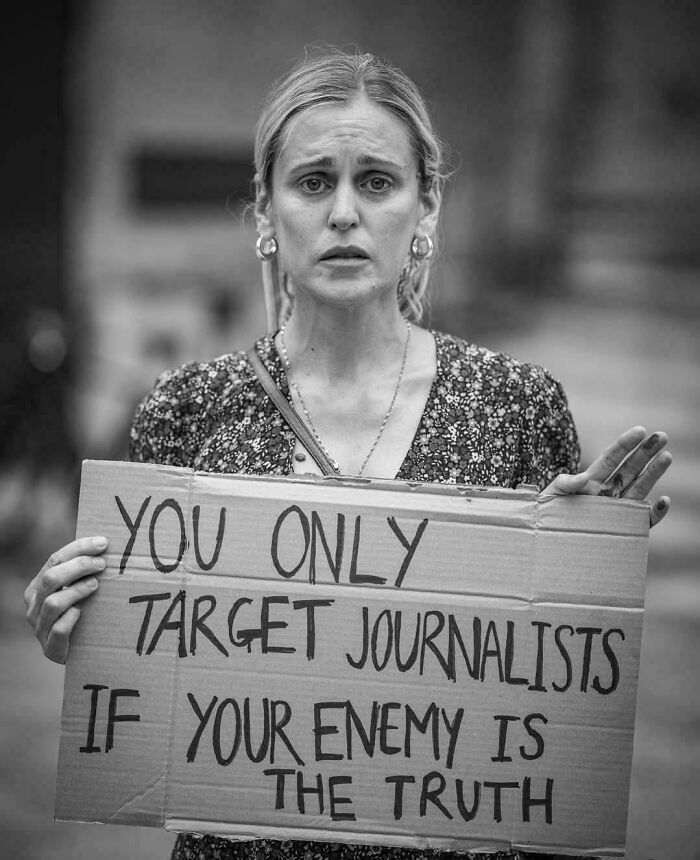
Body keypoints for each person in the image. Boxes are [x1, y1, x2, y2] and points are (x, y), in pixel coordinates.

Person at [25, 49, 671, 860]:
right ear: (265, 213)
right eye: (312, 182)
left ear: (426, 208)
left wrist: (583, 581)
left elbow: (544, 723)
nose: (342, 213)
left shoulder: (517, 407)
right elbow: (158, 681)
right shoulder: (186, 409)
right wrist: (85, 635)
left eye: (375, 181)